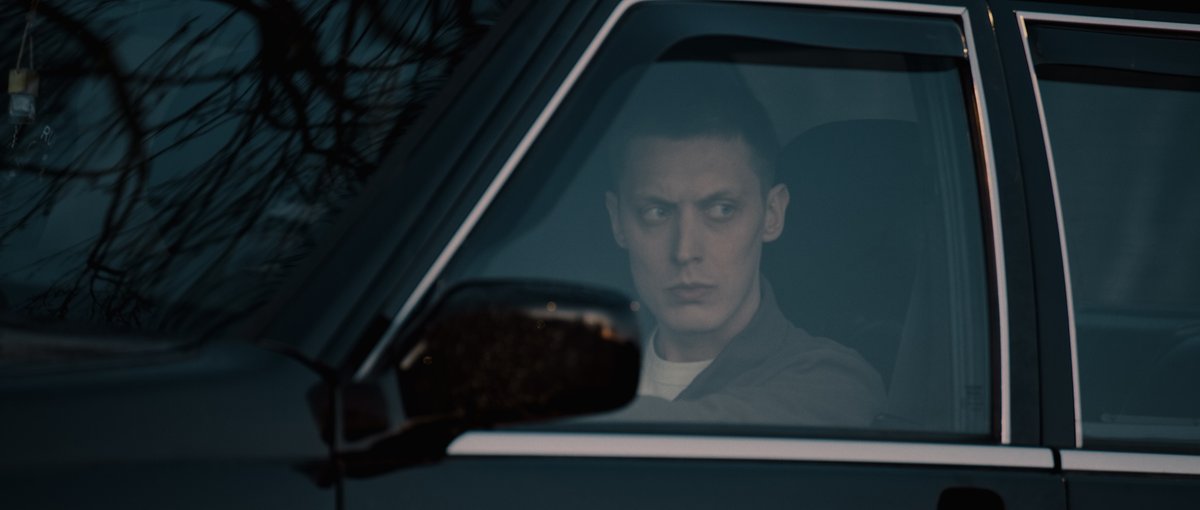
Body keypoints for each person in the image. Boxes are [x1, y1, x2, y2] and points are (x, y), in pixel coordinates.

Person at [599, 65, 885, 426]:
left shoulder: (832, 382)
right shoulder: (587, 367)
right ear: (617, 221)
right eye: (657, 212)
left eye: (722, 210)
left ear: (772, 214)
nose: (685, 251)